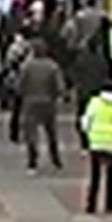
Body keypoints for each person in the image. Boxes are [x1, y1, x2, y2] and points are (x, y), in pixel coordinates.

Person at [81, 79, 112, 214]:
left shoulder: (95, 102)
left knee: (94, 175)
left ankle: (91, 204)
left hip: (96, 143)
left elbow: (86, 121)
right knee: (111, 177)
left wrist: (88, 135)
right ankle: (110, 203)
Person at [17, 39, 65, 173]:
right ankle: (56, 159)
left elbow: (19, 85)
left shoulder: (27, 66)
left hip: (30, 102)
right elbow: (60, 86)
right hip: (48, 101)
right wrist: (56, 96)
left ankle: (32, 161)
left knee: (31, 133)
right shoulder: (53, 66)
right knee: (51, 132)